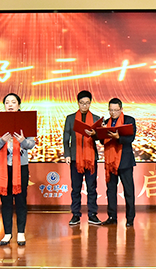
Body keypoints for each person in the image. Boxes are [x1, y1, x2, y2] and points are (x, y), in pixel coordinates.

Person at [0, 93, 35, 247]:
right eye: (7, 102)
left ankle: (21, 233)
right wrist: (2, 140)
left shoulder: (26, 121)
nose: (10, 105)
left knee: (21, 200)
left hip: (21, 167)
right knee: (6, 201)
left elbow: (31, 144)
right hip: (3, 167)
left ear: (18, 105)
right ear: (4, 106)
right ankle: (7, 233)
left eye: (13, 102)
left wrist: (23, 141)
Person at [63, 90, 101, 225]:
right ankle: (75, 214)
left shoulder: (96, 118)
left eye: (87, 103)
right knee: (76, 188)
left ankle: (92, 214)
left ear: (90, 103)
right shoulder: (70, 118)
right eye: (82, 103)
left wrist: (94, 134)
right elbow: (66, 138)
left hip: (91, 158)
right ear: (78, 103)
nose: (84, 106)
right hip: (75, 158)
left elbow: (100, 138)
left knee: (92, 188)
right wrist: (67, 154)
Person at [100, 97, 136, 227]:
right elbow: (102, 141)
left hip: (125, 161)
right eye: (111, 110)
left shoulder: (129, 120)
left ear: (121, 109)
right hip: (110, 161)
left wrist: (118, 137)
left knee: (128, 191)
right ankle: (112, 217)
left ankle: (130, 218)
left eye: (115, 110)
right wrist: (100, 132)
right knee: (111, 190)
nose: (113, 113)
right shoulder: (105, 122)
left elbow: (131, 138)